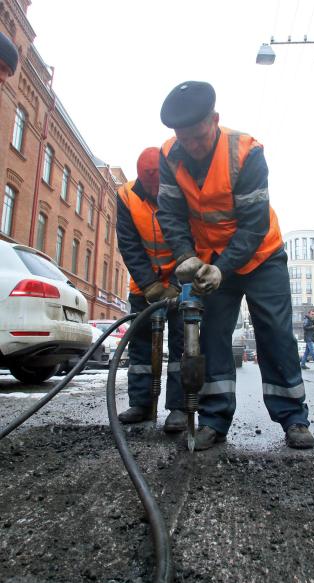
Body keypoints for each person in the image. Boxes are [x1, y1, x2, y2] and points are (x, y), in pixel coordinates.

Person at [157, 81, 314, 451]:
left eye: (199, 136)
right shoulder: (171, 155)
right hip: (210, 260)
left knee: (275, 332)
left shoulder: (246, 152)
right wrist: (186, 256)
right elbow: (170, 213)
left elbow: (254, 223)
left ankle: (294, 418)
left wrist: (222, 268)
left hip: (261, 256)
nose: (192, 146)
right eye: (185, 138)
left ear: (215, 119)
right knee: (212, 335)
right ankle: (213, 420)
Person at [115, 147, 186, 432]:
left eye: (160, 186)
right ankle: (142, 404)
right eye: (151, 187)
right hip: (144, 284)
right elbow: (129, 245)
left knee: (183, 343)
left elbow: (193, 238)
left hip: (182, 279)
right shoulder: (126, 196)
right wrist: (151, 286)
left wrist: (179, 284)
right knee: (141, 344)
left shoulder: (182, 191)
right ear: (141, 180)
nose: (156, 192)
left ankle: (179, 407)